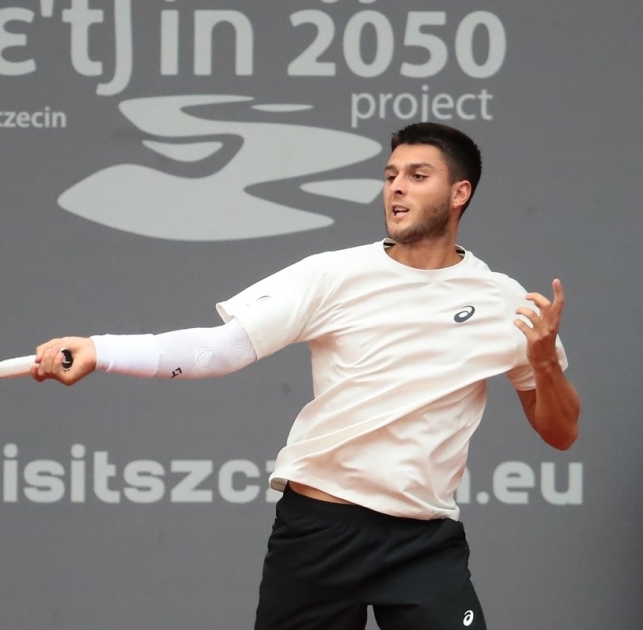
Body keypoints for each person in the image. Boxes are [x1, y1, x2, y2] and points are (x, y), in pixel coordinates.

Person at [29, 122, 580, 630]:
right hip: (321, 532)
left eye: (417, 177)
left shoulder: (505, 301)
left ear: (459, 193)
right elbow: (222, 350)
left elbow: (560, 432)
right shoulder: (332, 275)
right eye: (390, 176)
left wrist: (544, 362)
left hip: (424, 541)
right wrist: (101, 349)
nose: (396, 189)